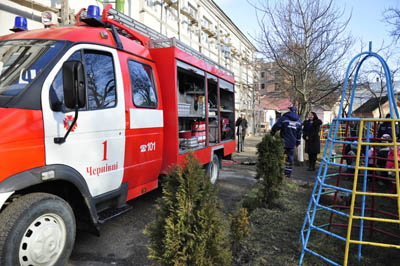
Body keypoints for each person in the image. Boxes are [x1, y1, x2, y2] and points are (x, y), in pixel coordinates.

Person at [271, 106, 302, 178]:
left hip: (283, 141)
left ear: (289, 110)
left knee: (280, 155)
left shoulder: (284, 118)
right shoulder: (298, 121)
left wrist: (272, 133)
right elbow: (299, 132)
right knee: (290, 157)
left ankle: (279, 171)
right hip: (292, 142)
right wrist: (298, 142)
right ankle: (288, 173)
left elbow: (277, 126)